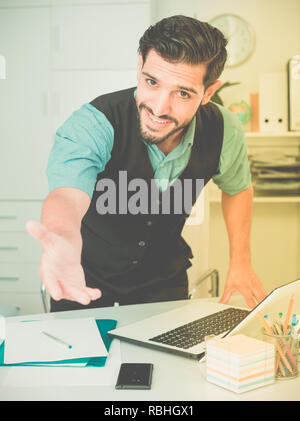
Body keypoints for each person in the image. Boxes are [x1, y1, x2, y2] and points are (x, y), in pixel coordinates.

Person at [27, 15, 267, 312]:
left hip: (164, 286)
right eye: (151, 82)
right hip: (82, 283)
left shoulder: (224, 130)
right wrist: (63, 237)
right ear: (140, 64)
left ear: (208, 93)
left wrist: (241, 261)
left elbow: (238, 188)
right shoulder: (95, 122)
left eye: (182, 93)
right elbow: (67, 194)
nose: (159, 107)